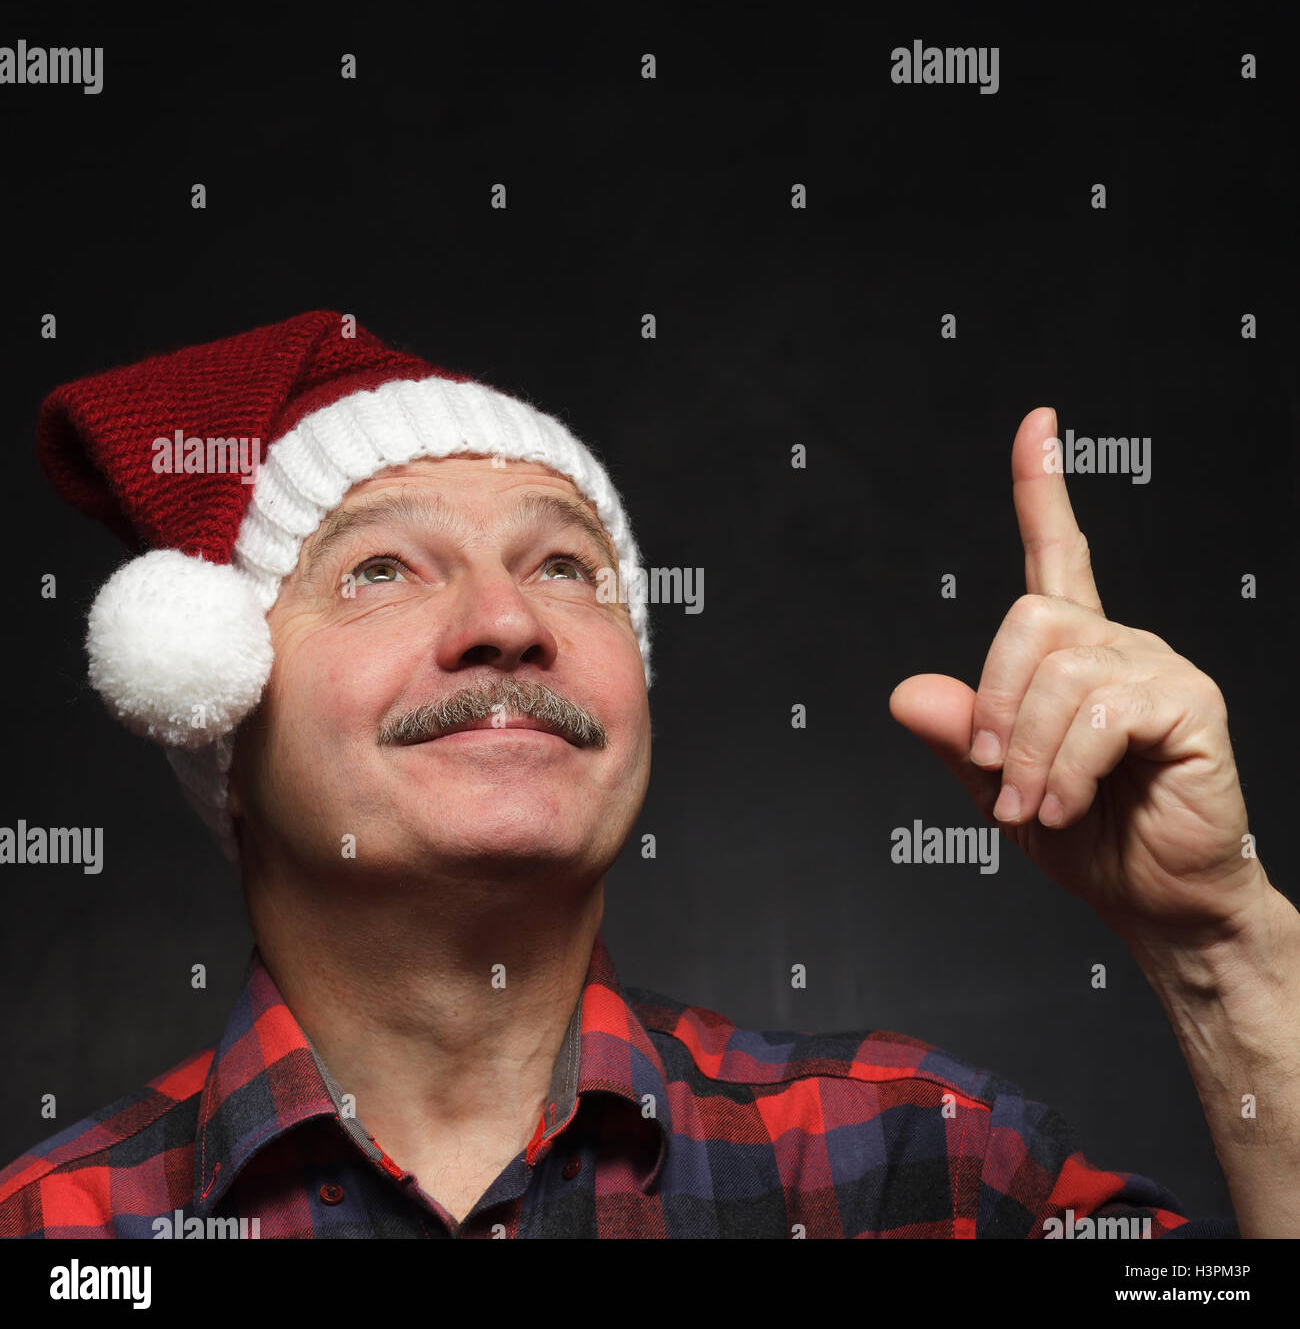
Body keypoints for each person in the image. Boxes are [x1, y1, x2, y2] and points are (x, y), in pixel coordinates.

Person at [1, 310, 1291, 1239]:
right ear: (214, 717)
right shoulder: (60, 1234)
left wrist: (1222, 954)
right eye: (380, 570)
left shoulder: (931, 1164)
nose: (510, 622)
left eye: (565, 567)